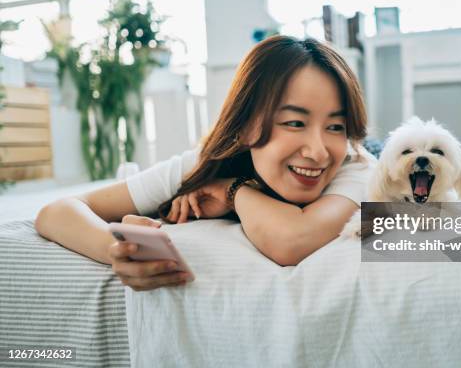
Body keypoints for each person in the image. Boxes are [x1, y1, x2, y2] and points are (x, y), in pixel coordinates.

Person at [35, 35, 376, 291]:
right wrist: (113, 248)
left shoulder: (358, 167)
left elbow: (293, 241)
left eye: (336, 126)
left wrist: (233, 191)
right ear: (245, 125)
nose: (318, 152)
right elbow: (58, 210)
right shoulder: (208, 162)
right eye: (294, 123)